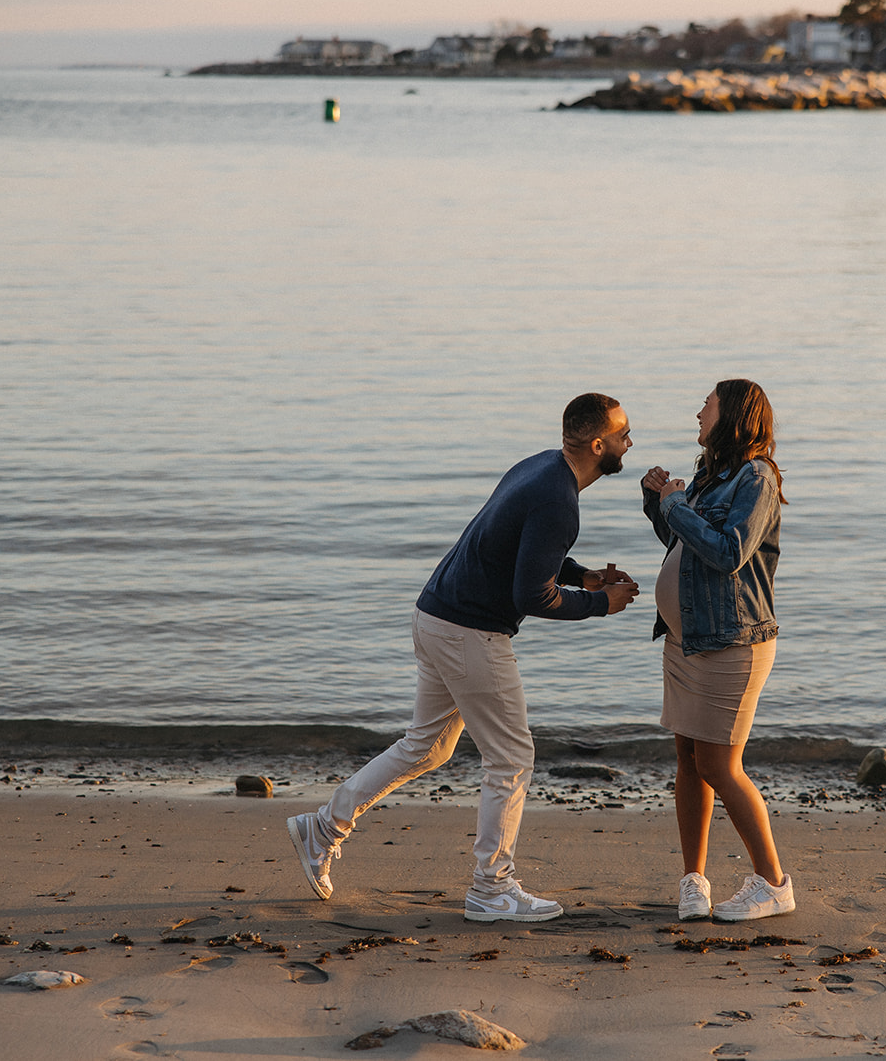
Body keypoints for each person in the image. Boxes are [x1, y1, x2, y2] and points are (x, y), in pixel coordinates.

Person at [288, 393, 640, 923]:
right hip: (469, 632)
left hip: (435, 614)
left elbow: (515, 549)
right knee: (512, 758)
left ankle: (323, 826)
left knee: (425, 749)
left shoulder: (540, 465)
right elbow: (531, 595)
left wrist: (580, 575)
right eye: (623, 433)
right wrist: (600, 604)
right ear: (598, 444)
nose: (629, 442)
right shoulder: (559, 501)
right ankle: (491, 887)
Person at [640, 379, 792, 922]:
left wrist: (676, 503)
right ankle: (694, 881)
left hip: (733, 644)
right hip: (688, 640)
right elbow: (685, 546)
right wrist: (658, 504)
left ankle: (774, 883)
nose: (697, 411)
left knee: (719, 765)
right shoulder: (712, 474)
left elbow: (728, 552)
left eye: (706, 403)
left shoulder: (758, 477)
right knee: (687, 760)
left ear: (731, 414)